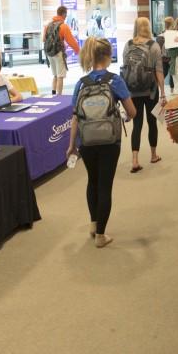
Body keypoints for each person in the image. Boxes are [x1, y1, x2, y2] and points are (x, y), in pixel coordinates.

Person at [66, 37, 136, 248]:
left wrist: (71, 146)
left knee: (92, 182)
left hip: (86, 141)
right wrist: (123, 117)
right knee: (105, 185)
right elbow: (131, 111)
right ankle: (101, 236)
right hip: (109, 141)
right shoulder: (115, 81)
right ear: (107, 56)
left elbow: (76, 116)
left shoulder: (81, 83)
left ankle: (93, 224)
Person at [122, 17, 165, 173]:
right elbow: (159, 71)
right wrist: (163, 93)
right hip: (150, 91)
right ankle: (153, 155)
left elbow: (125, 69)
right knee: (152, 122)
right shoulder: (153, 46)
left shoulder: (127, 45)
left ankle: (134, 159)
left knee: (137, 124)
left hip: (132, 91)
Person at [42, 5, 80, 95]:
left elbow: (43, 39)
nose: (66, 16)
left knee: (55, 75)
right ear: (63, 14)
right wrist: (79, 51)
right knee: (60, 76)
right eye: (66, 14)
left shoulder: (48, 25)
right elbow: (71, 41)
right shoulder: (63, 26)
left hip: (49, 53)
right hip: (58, 54)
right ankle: (59, 97)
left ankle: (53, 93)